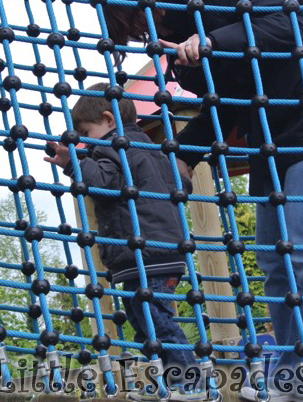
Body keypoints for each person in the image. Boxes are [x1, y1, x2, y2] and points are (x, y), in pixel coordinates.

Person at [101, 0, 303, 401]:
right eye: (140, 29)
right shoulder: (181, 39)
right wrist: (184, 152)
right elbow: (229, 102)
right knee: (274, 257)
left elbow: (288, 24)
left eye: (145, 20)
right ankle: (295, 374)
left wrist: (211, 40)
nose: (152, 32)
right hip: (274, 136)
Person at [46, 83, 204, 401]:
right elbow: (180, 184)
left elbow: (103, 181)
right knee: (144, 319)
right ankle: (166, 379)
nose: (86, 141)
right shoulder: (153, 149)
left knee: (155, 319)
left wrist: (71, 163)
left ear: (108, 120)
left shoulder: (113, 148)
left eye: (86, 131)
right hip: (159, 250)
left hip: (147, 252)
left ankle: (190, 381)